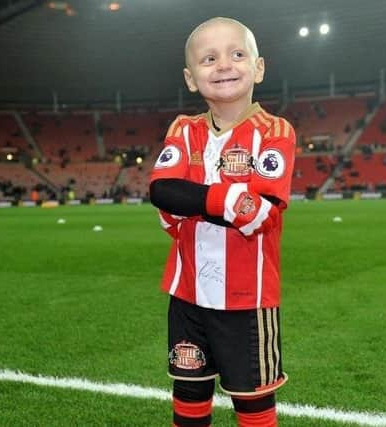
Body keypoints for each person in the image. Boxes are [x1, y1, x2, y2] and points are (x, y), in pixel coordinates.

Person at [149, 17, 296, 427]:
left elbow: (260, 212)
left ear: (259, 67)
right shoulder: (184, 128)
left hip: (247, 299)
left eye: (237, 54)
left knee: (252, 401)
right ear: (190, 78)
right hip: (187, 293)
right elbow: (162, 191)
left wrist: (196, 199)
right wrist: (229, 198)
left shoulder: (275, 131)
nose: (223, 65)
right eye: (208, 58)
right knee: (189, 393)